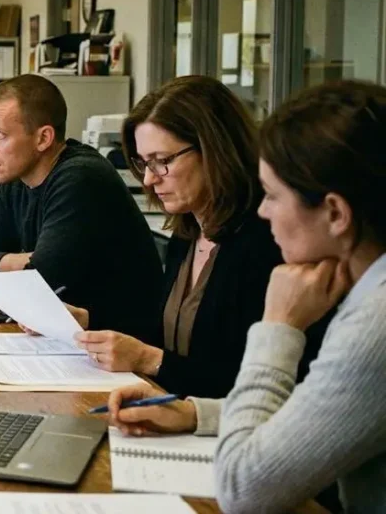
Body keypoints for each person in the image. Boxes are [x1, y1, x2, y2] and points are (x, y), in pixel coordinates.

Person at [105, 81, 386, 514]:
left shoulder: (375, 322)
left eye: (273, 195)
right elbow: (308, 415)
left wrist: (278, 326)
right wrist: (198, 413)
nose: (262, 210)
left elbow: (244, 490)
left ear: (335, 213)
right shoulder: (365, 292)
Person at [69, 76, 325, 399]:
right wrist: (91, 321)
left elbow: (253, 382)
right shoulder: (187, 232)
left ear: (214, 149)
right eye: (143, 163)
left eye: (162, 161)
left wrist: (150, 360)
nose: (149, 179)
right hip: (179, 416)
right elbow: (168, 333)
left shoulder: (267, 242)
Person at [0, 74, 162, 339]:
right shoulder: (17, 178)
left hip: (125, 347)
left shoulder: (80, 177)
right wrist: (25, 261)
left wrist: (30, 265)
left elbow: (42, 281)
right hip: (70, 338)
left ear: (43, 138)